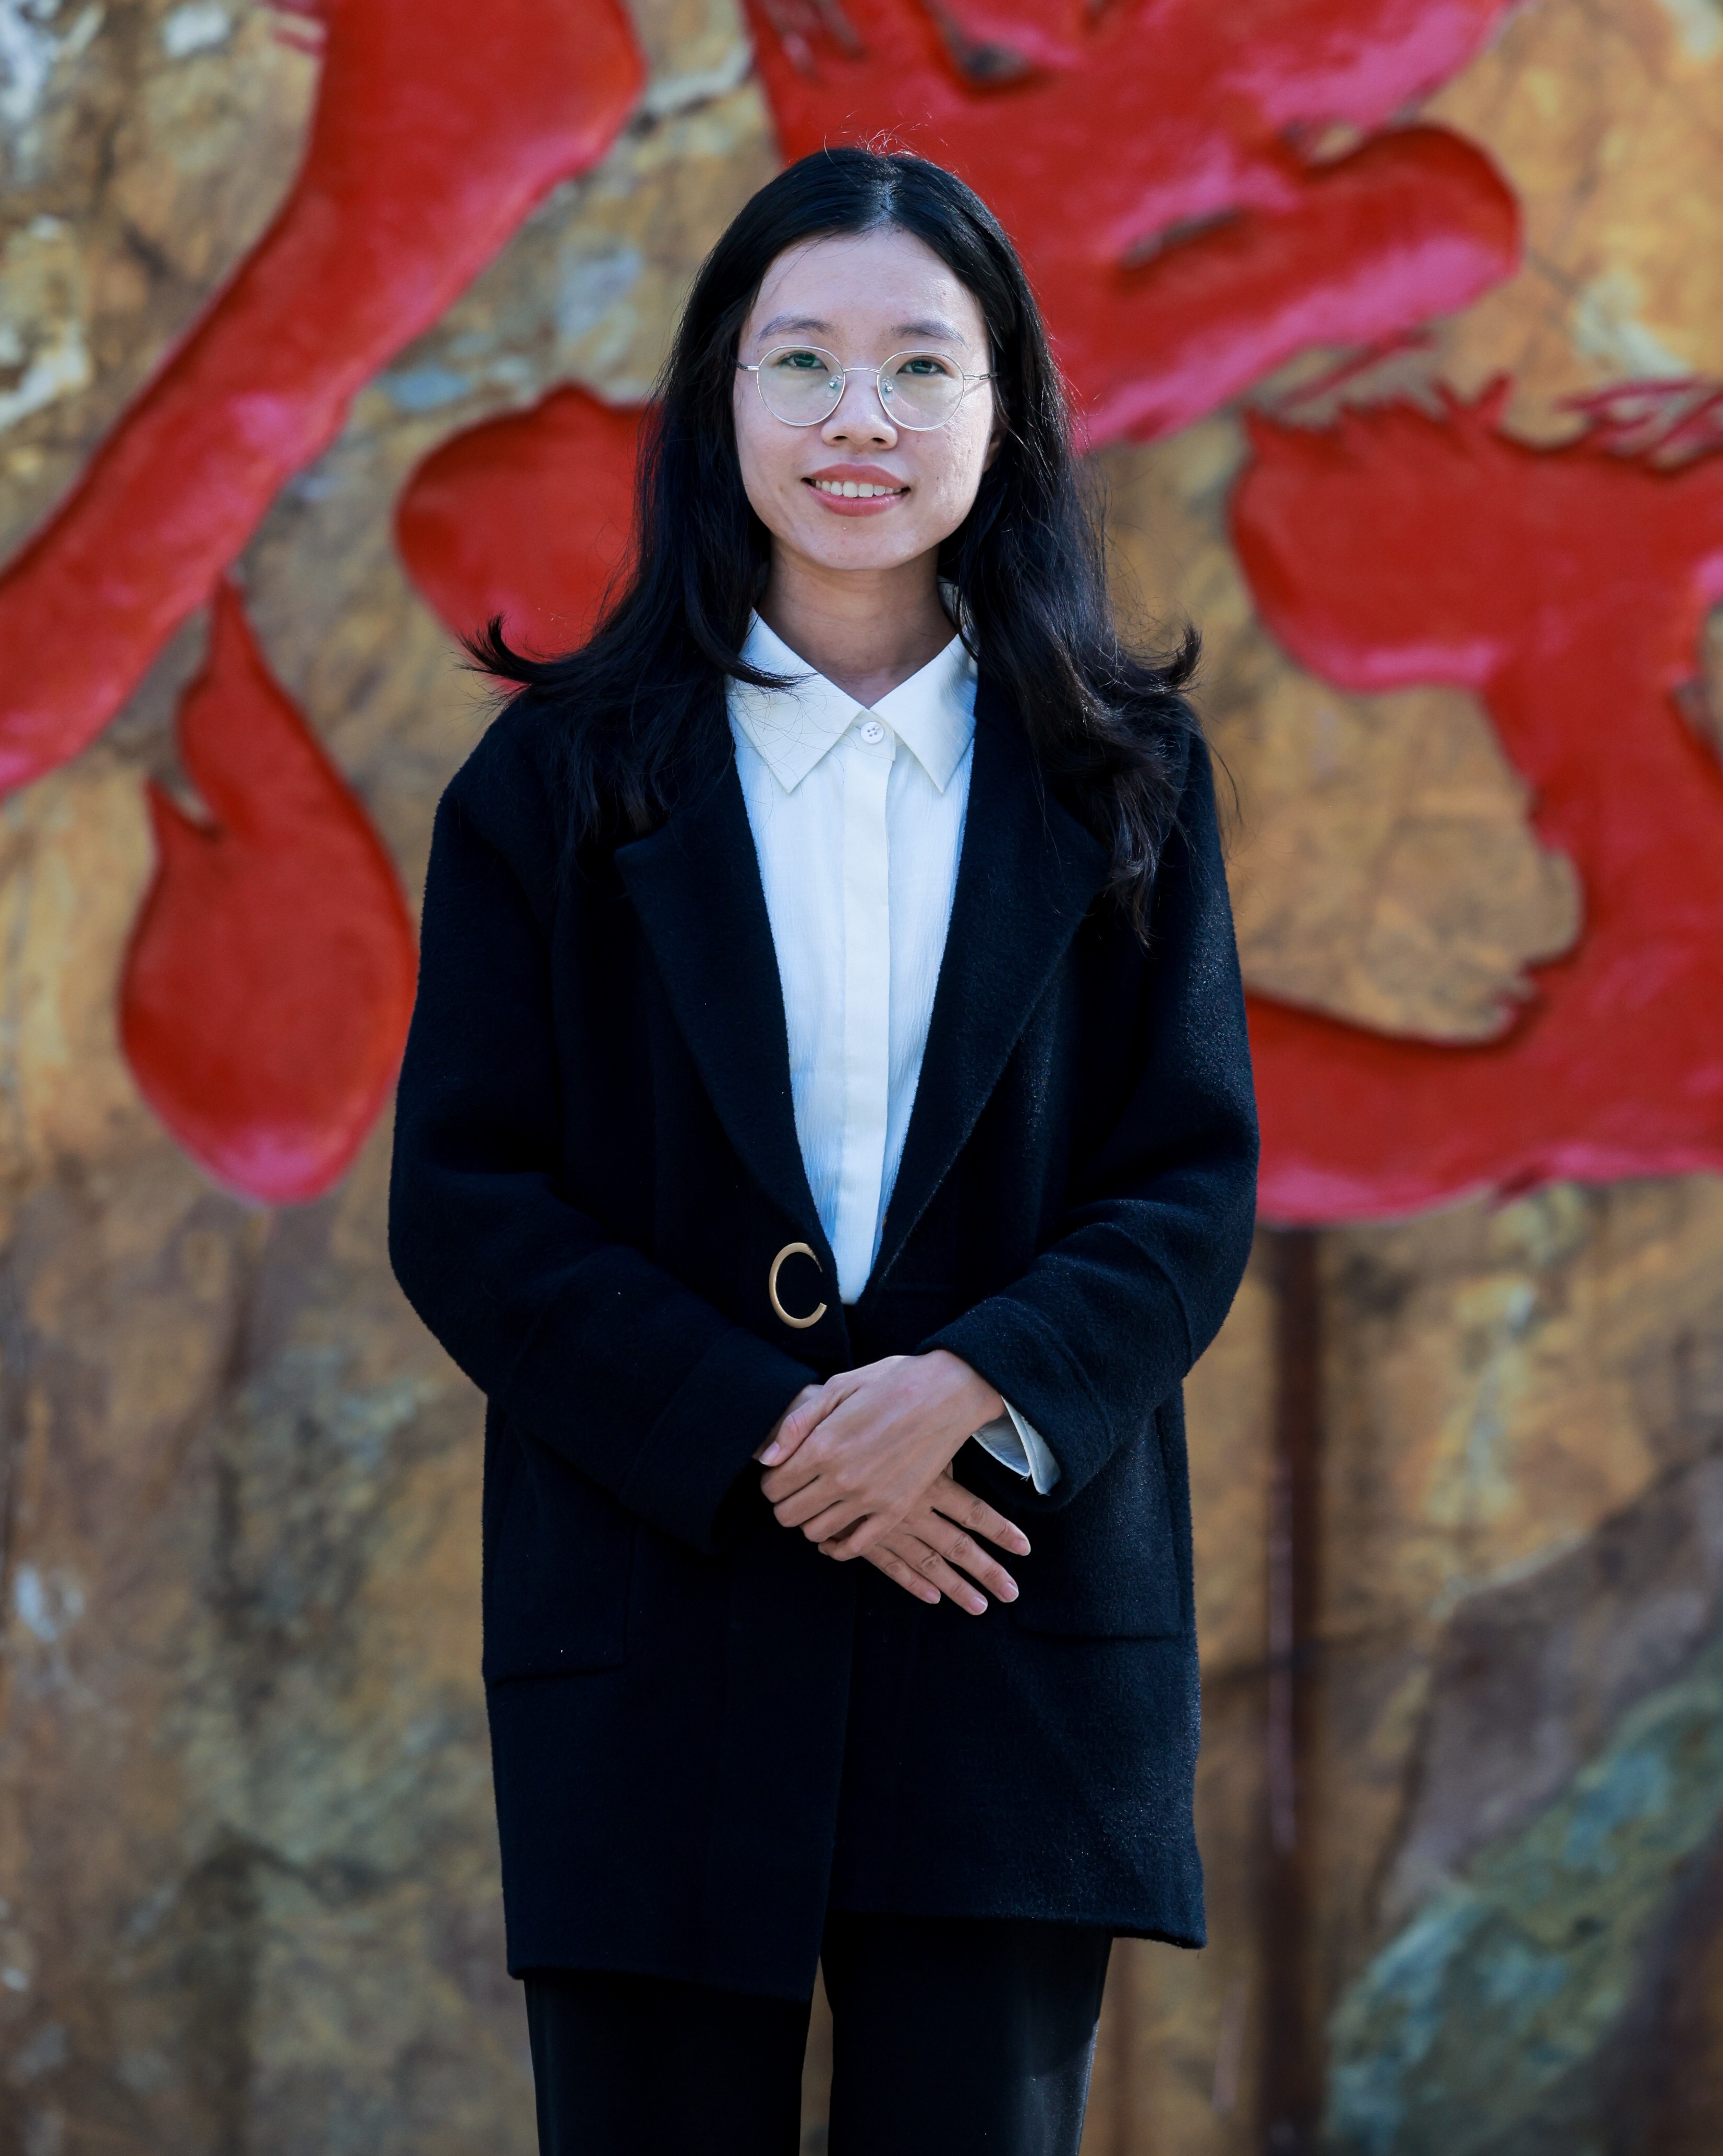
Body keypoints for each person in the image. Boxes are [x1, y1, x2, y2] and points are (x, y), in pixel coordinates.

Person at [389, 146, 1258, 2155]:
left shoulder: (1121, 775)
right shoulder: (558, 782)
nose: (860, 417)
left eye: (920, 365)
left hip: (1007, 1612)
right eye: (802, 360)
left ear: (1005, 409)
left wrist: (973, 1389)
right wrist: (778, 1435)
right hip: (662, 1617)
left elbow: (1187, 1179)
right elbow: (470, 1202)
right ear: (721, 397)